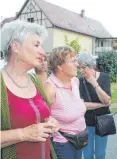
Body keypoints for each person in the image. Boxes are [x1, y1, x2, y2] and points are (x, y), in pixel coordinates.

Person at [0, 20, 59, 159]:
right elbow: (28, 130)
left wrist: (50, 123)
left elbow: (37, 117)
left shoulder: (34, 81)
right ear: (16, 47)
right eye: (36, 45)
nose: (43, 52)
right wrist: (24, 134)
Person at [44, 46, 87, 159]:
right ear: (59, 66)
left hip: (80, 140)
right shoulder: (50, 88)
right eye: (73, 61)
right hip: (63, 144)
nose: (77, 64)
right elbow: (42, 118)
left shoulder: (75, 81)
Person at [77, 53, 111, 159]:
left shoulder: (105, 77)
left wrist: (94, 83)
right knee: (87, 155)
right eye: (79, 68)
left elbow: (106, 100)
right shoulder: (79, 81)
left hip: (103, 121)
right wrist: (101, 104)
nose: (81, 70)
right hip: (86, 122)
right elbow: (81, 104)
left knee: (101, 154)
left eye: (84, 67)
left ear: (92, 66)